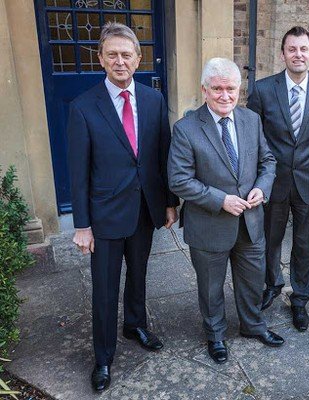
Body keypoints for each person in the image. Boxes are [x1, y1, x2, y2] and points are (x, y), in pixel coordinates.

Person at [68, 22, 179, 391]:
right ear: (101, 59)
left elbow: (162, 155)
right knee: (104, 288)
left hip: (145, 208)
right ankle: (103, 357)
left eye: (126, 55)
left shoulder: (153, 100)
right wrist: (82, 225)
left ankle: (135, 325)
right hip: (104, 216)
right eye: (112, 54)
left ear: (138, 58)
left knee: (139, 274)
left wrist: (169, 203)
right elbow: (78, 173)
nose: (120, 61)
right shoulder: (83, 107)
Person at [168, 57, 284, 365]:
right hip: (209, 224)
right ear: (204, 90)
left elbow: (268, 161)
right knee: (211, 287)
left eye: (231, 89)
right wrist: (220, 200)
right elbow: (179, 180)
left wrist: (262, 187)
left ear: (239, 89)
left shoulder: (251, 120)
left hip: (250, 221)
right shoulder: (186, 129)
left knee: (252, 280)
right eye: (217, 89)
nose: (225, 95)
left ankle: (253, 325)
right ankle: (216, 334)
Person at [247, 26, 309, 331]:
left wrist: (304, 159)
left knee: (305, 243)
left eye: (303, 49)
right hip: (273, 181)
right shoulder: (262, 90)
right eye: (292, 49)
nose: (298, 54)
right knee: (269, 239)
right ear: (283, 53)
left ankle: (300, 299)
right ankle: (272, 284)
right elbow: (254, 137)